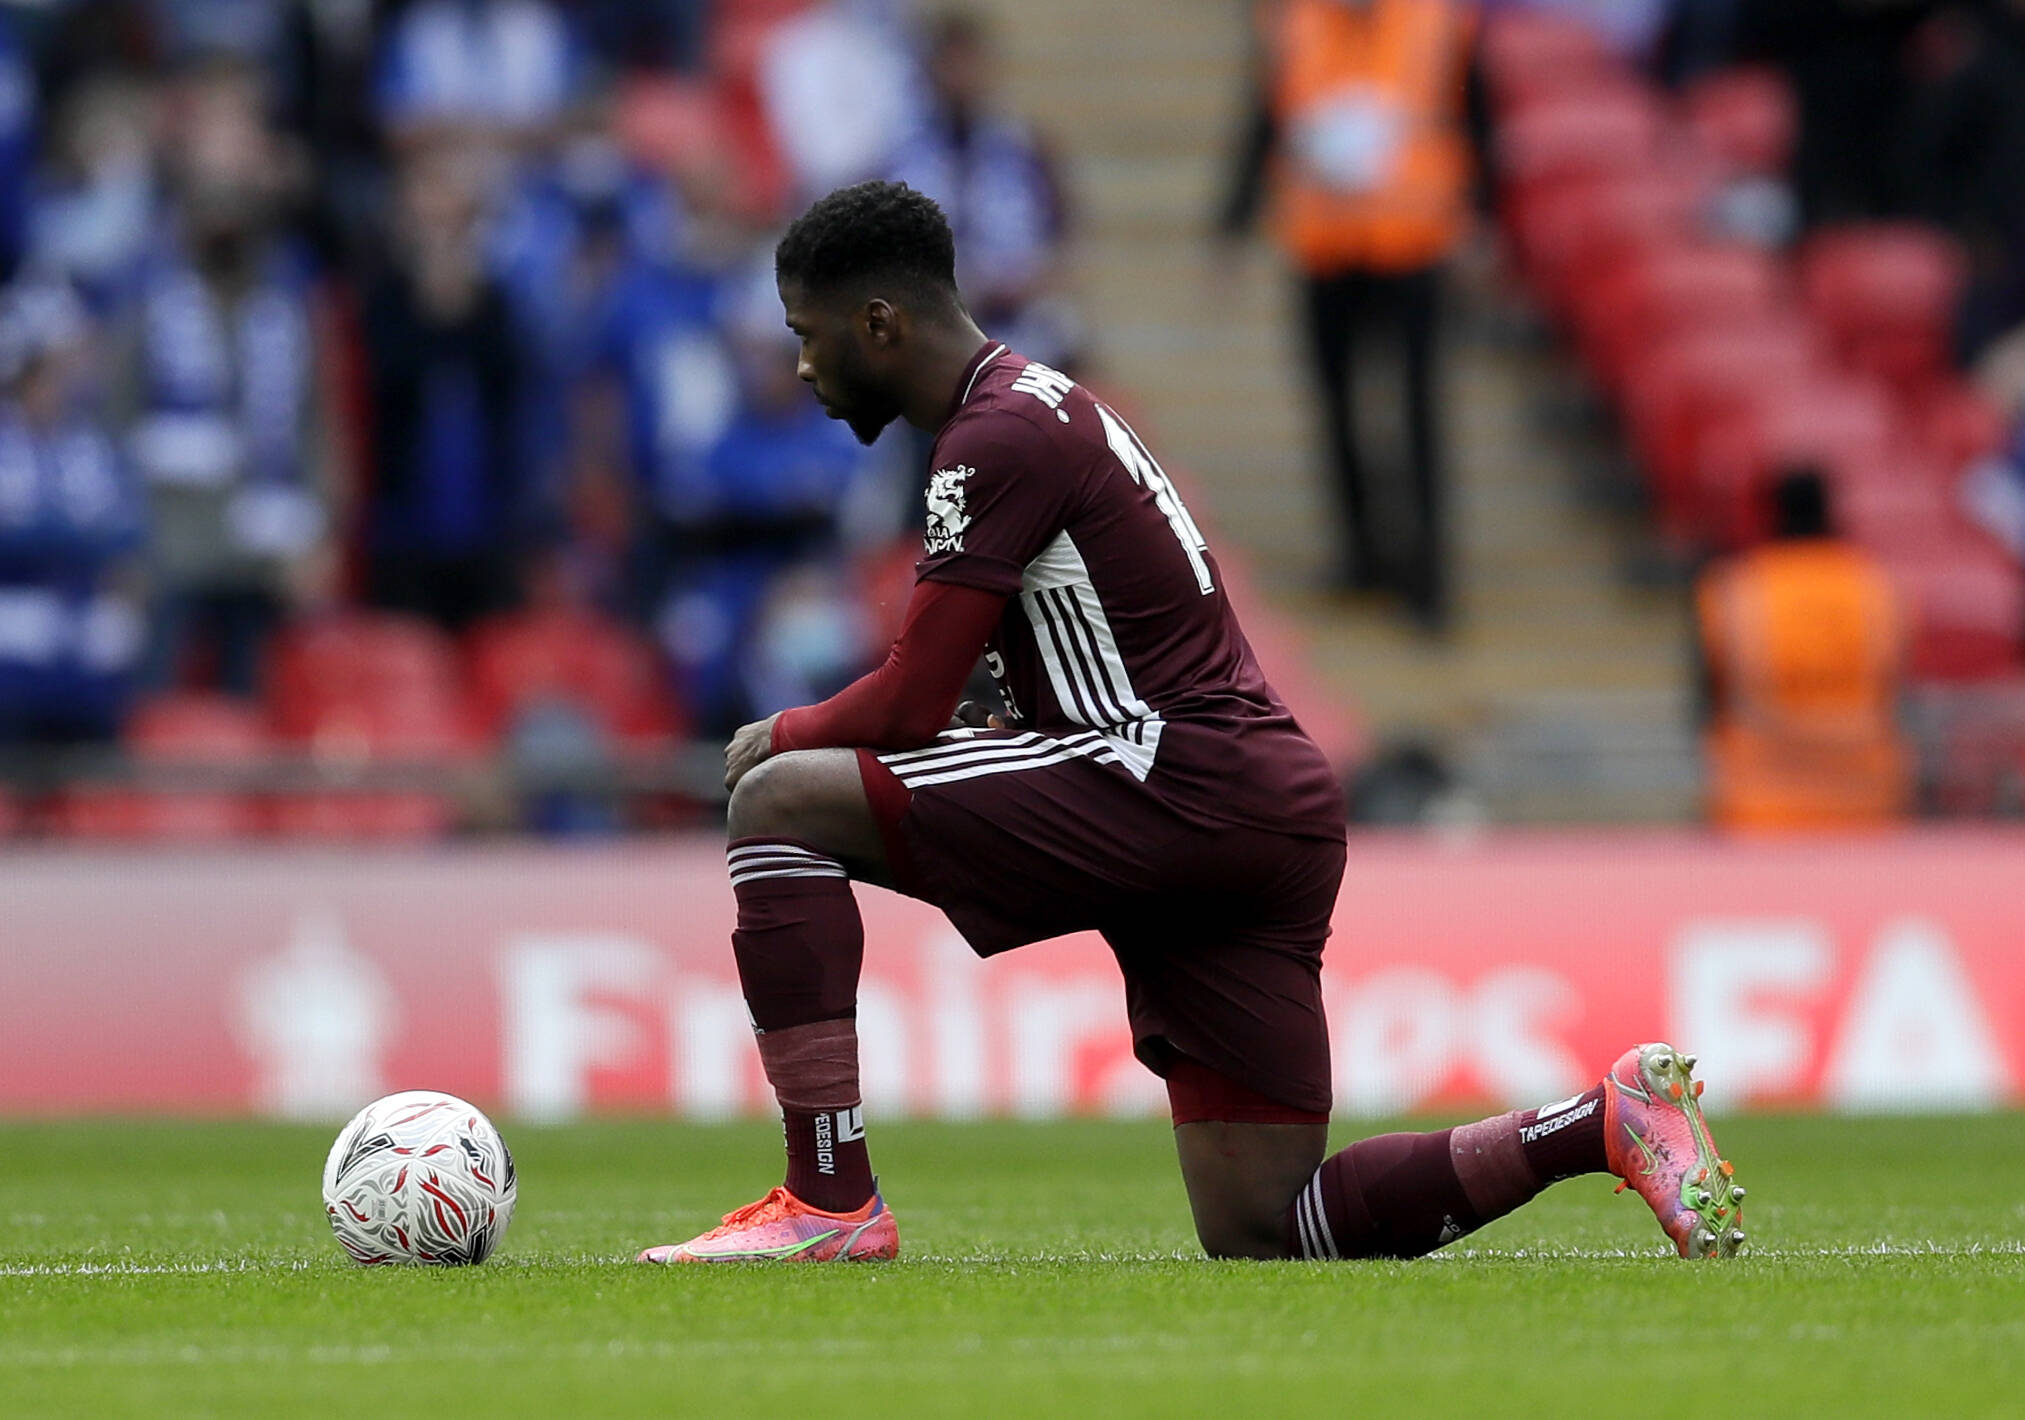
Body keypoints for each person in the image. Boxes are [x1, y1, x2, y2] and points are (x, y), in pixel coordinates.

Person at [634, 181, 1748, 1266]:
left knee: (776, 801)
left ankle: (828, 1199)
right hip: (1254, 809)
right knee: (1268, 1224)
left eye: (808, 332)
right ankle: (1605, 1120)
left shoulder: (992, 439)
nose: (801, 364)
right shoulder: (1049, 406)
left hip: (1163, 785)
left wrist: (780, 730)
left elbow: (912, 701)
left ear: (878, 321)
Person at [1215, 0, 1473, 629]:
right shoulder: (1295, 24)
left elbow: (1474, 121)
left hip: (1413, 244)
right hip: (1325, 247)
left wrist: (1484, 222)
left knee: (1416, 413)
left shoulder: (1436, 22)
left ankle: (1429, 574)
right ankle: (1360, 554)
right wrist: (1233, 224)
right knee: (1335, 407)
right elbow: (1266, 119)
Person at [1695, 469, 1910, 831]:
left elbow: (1708, 700)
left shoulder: (1737, 591)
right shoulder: (1876, 588)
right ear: (1832, 509)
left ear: (1767, 513)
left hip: (1760, 806)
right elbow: (1896, 694)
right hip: (1865, 802)